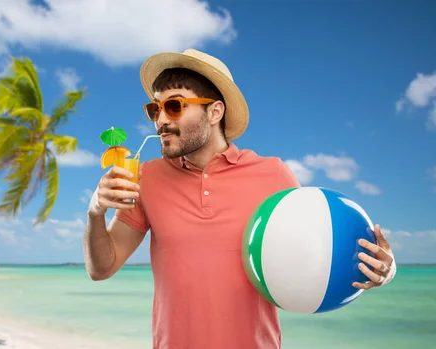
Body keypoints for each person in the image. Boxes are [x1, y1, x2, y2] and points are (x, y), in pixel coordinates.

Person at [83, 48, 397, 349]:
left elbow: (319, 251)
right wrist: (95, 211)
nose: (161, 120)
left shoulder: (273, 174)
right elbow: (102, 268)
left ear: (214, 111)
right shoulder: (146, 177)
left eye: (174, 106)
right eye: (155, 108)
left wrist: (385, 271)